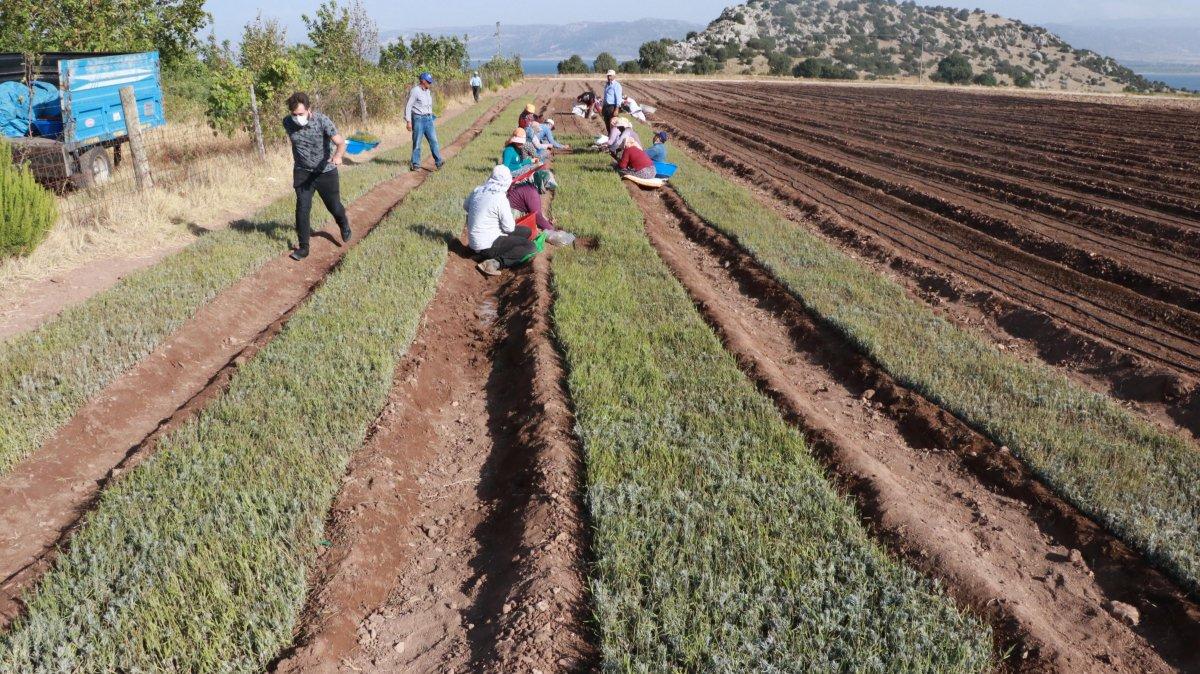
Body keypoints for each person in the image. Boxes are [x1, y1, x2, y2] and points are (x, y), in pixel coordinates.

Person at [282, 92, 351, 261]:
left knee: (334, 206)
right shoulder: (287, 122)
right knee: (302, 208)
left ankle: (343, 224)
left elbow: (340, 143)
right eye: (294, 114)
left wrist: (338, 156)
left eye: (301, 114)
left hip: (325, 171)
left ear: (309, 110)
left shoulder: (322, 121)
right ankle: (303, 247)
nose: (297, 118)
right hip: (302, 172)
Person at [466, 165, 538, 276]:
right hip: (488, 244)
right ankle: (494, 263)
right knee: (530, 246)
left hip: (476, 241)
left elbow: (466, 206)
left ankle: (482, 254)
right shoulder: (500, 198)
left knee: (526, 231)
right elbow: (509, 228)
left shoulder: (478, 190)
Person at [406, 72, 443, 172]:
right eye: (428, 82)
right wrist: (408, 121)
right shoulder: (415, 91)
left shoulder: (428, 91)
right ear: (422, 81)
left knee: (434, 141)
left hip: (428, 119)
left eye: (430, 82)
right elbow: (408, 106)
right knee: (417, 142)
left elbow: (427, 106)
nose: (430, 84)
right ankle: (415, 164)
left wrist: (432, 115)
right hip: (418, 119)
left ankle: (439, 162)